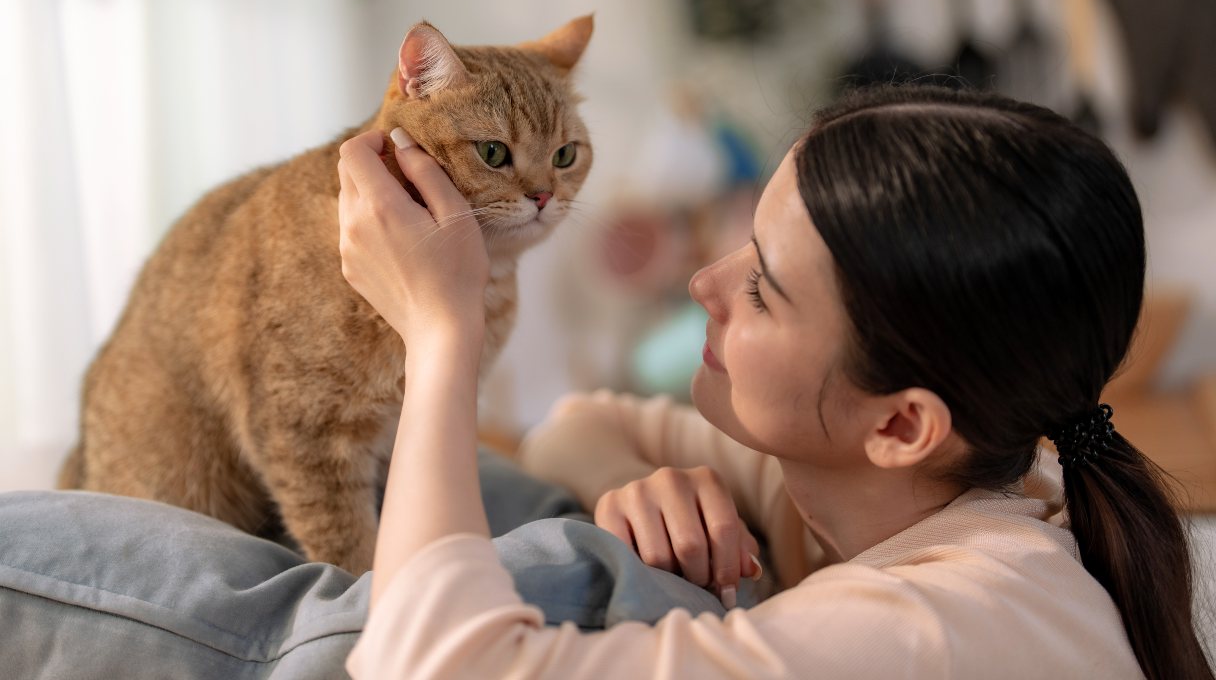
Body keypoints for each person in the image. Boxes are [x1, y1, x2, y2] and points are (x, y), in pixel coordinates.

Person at [335, 82, 1212, 679]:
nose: (705, 284)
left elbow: (427, 663)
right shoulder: (897, 489)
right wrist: (636, 486)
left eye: (762, 286)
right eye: (747, 241)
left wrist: (438, 331)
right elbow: (575, 425)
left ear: (903, 427)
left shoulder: (930, 630)